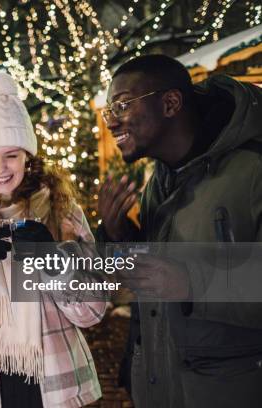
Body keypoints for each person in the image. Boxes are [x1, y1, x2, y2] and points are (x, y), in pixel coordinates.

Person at [0, 72, 106, 407]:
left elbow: (93, 312)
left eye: (12, 154)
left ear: (28, 156)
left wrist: (54, 261)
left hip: (53, 384)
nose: (0, 167)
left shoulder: (61, 212)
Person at [98, 54, 262, 407]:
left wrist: (193, 283)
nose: (112, 122)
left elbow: (181, 279)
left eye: (122, 105)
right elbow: (148, 281)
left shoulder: (252, 169)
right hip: (161, 387)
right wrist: (119, 236)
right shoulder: (162, 178)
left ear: (170, 103)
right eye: (109, 111)